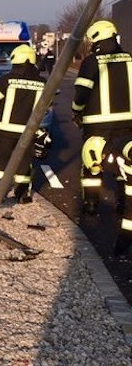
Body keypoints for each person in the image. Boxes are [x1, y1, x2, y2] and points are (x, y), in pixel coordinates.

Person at [72, 20, 132, 253]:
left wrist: (77, 112)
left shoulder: (92, 62)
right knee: (124, 163)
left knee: (91, 164)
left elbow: (81, 93)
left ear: (95, 39)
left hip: (97, 126)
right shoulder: (129, 59)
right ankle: (121, 202)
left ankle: (91, 203)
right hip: (128, 124)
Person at [0, 45, 48, 203]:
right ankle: (22, 195)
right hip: (28, 133)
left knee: (1, 164)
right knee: (24, 165)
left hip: (5, 132)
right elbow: (47, 105)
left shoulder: (7, 80)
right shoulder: (43, 83)